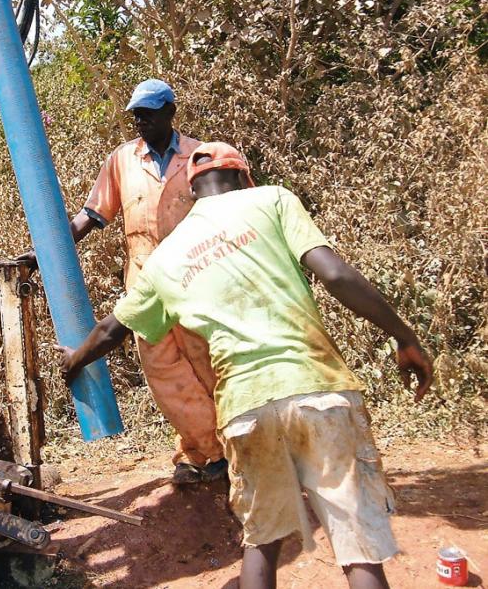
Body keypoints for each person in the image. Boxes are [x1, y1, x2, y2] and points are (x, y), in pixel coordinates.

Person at [55, 142, 433, 589]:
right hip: (318, 388)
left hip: (244, 409)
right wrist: (405, 337)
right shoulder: (272, 200)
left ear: (191, 193)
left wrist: (74, 360)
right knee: (359, 550)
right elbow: (334, 274)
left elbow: (111, 330)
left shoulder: (165, 257)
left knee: (262, 543)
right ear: (242, 177)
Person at [20, 79, 226, 483]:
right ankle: (200, 451)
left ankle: (224, 450)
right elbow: (90, 216)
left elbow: (226, 215)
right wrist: (45, 251)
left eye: (148, 114)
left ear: (170, 112)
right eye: (136, 115)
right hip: (146, 283)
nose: (140, 122)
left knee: (207, 365)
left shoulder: (199, 155)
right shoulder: (122, 161)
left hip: (197, 279)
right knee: (165, 372)